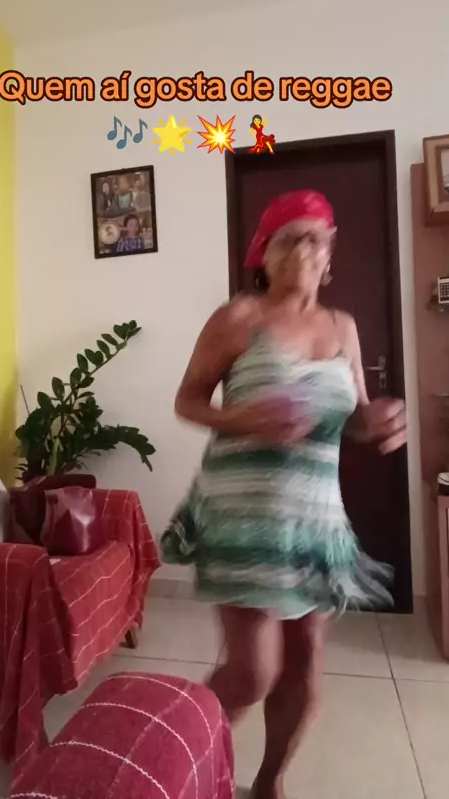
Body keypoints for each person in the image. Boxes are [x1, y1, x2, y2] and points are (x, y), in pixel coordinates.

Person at [161, 189, 407, 799]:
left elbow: (352, 416)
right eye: (288, 238)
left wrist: (374, 423)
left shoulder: (343, 327)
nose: (304, 248)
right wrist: (242, 419)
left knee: (304, 667)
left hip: (314, 522)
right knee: (252, 672)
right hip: (242, 516)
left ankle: (269, 782)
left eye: (316, 238)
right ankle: (165, 763)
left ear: (331, 255)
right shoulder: (238, 318)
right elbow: (187, 400)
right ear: (262, 255)